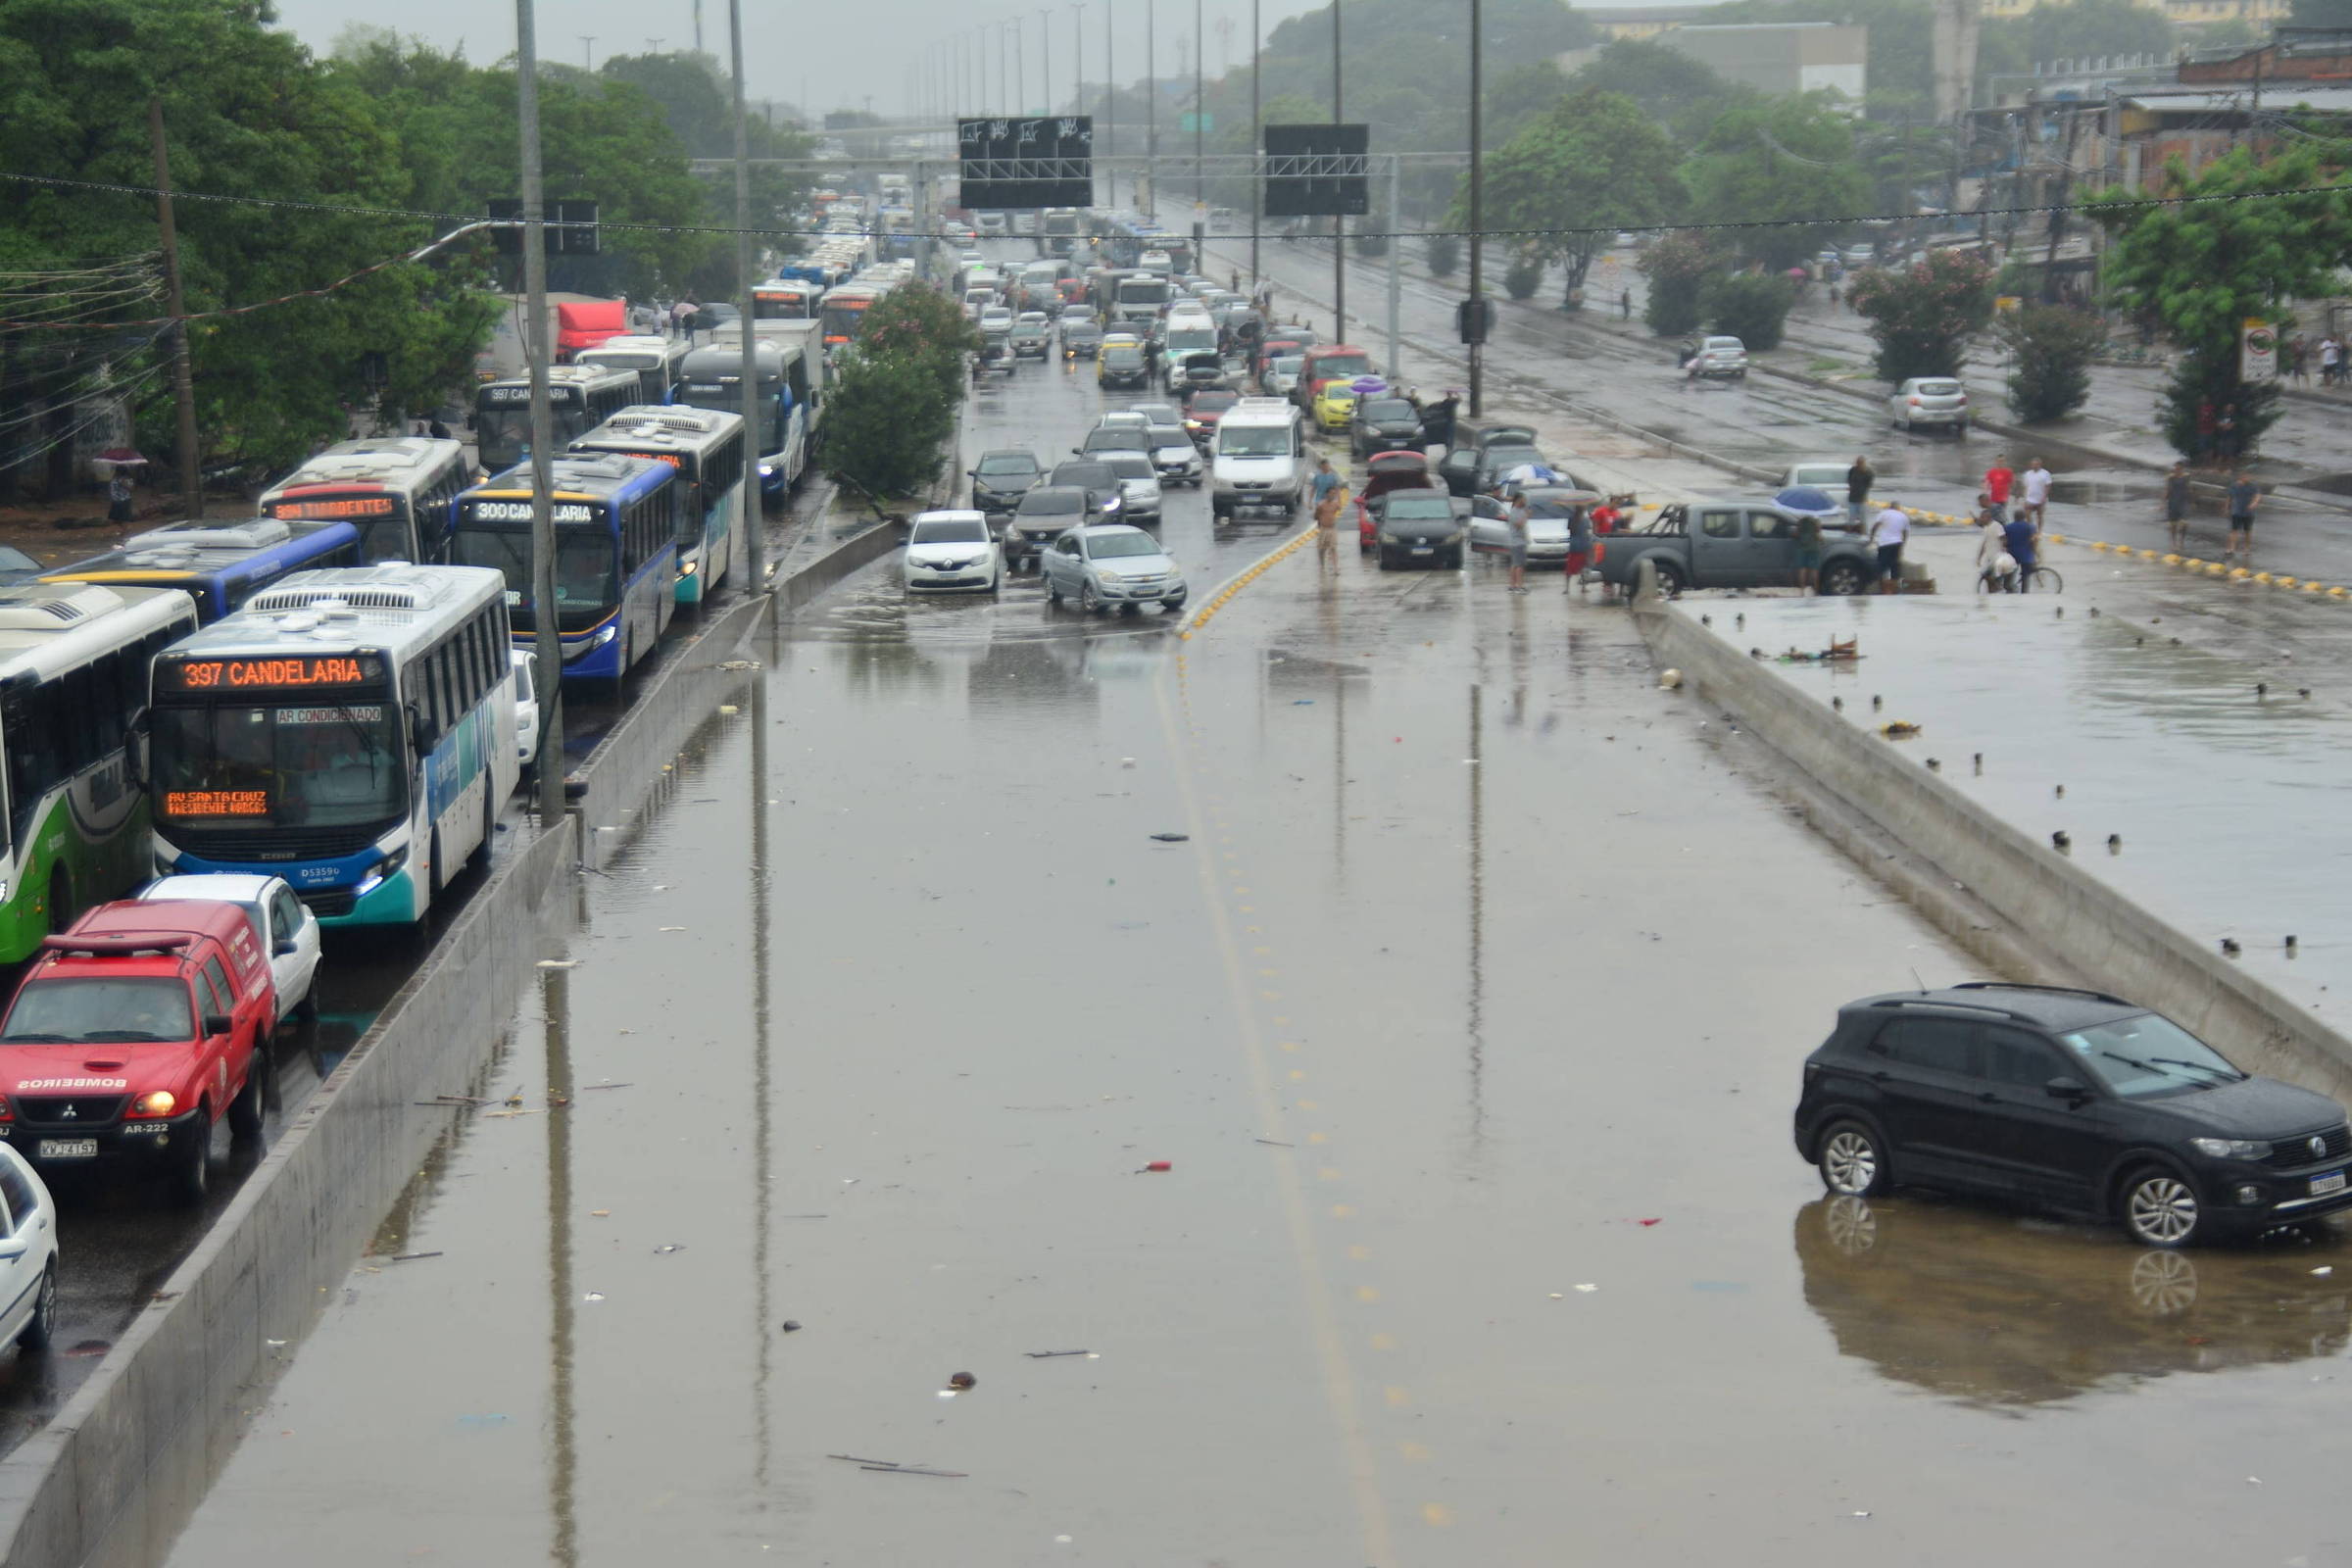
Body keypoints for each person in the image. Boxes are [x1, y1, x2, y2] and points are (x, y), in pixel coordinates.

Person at [1869, 501, 1909, 594]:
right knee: (1895, 566)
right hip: (1897, 543)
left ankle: (1883, 589)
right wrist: (1902, 545)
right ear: (1898, 508)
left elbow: (1875, 526)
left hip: (1884, 543)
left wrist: (1871, 538)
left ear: (1890, 507)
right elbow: (1905, 533)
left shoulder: (1883, 514)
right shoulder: (1903, 516)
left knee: (1881, 566)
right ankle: (1893, 589)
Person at [1976, 507, 2016, 593]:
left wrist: (2004, 549)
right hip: (1990, 558)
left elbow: (2003, 538)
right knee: (1987, 577)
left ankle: (1997, 587)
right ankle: (1993, 591)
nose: (1981, 519)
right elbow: (1984, 544)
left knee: (1986, 575)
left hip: (1997, 558)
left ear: (1988, 517)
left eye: (1983, 517)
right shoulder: (1986, 528)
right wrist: (1979, 557)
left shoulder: (1997, 526)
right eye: (1981, 517)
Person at [1310, 458, 1345, 556]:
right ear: (1321, 467)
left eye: (1327, 465)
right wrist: (1309, 501)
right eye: (1324, 466)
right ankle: (1322, 535)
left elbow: (1337, 489)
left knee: (1330, 519)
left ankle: (1330, 539)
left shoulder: (1333, 477)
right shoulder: (1317, 477)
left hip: (1331, 501)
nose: (1326, 467)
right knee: (1320, 519)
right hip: (1319, 501)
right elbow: (1313, 488)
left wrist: (1339, 501)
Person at [2002, 507, 2039, 594]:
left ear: (2014, 517)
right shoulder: (2030, 527)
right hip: (2026, 556)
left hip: (2012, 555)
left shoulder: (2008, 527)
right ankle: (2024, 593)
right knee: (2025, 577)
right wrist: (2036, 553)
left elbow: (2004, 542)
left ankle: (2010, 590)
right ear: (2024, 517)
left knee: (2009, 575)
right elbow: (2033, 541)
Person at [2227, 468, 2261, 561]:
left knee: (2247, 532)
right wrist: (2227, 507)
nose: (2248, 478)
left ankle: (2247, 548)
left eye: (2248, 476)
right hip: (2236, 511)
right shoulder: (2234, 486)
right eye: (2245, 476)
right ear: (2241, 477)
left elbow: (2257, 496)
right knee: (2234, 530)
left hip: (2248, 513)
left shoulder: (2253, 486)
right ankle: (2232, 548)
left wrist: (2254, 503)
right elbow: (2230, 497)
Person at [1563, 503, 1594, 593]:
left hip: (1574, 545)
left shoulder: (1571, 518)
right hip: (1583, 545)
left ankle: (1567, 588)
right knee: (1583, 566)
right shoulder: (1585, 520)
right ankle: (1583, 587)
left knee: (1570, 567)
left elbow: (1571, 531)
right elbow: (1588, 532)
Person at [1505, 488, 1532, 593]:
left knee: (1516, 564)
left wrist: (1527, 513)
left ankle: (1513, 585)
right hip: (1517, 542)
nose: (1525, 501)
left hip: (1522, 541)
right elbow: (1519, 525)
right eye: (1524, 499)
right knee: (1519, 565)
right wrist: (1526, 516)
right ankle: (1518, 586)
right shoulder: (1513, 512)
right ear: (1519, 499)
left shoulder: (1521, 510)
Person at [2163, 460, 2193, 552]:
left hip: (2183, 502)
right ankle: (2173, 542)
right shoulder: (2170, 478)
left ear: (2182, 469)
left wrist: (2192, 501)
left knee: (2184, 523)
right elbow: (2167, 490)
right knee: (2173, 524)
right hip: (2172, 502)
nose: (2177, 470)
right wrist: (2162, 503)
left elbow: (2189, 488)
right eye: (2176, 468)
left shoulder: (2186, 477)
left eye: (2179, 468)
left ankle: (2181, 542)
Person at [1793, 509, 1824, 596]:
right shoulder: (1816, 521)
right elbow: (1819, 536)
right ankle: (1816, 591)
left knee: (1802, 569)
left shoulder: (1801, 521)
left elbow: (1796, 534)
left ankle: (1802, 591)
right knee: (1814, 570)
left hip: (1802, 548)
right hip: (1814, 548)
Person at [2019, 457, 2052, 528]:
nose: (2034, 466)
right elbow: (2025, 487)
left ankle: (2039, 531)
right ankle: (2031, 529)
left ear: (2040, 464)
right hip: (2029, 498)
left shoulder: (2045, 473)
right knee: (2027, 514)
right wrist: (2024, 498)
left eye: (2036, 464)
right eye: (2033, 464)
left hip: (2040, 498)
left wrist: (2044, 497)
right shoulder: (2027, 474)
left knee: (2039, 516)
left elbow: (2048, 486)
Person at [1422, 391, 1459, 455]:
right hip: (1446, 421)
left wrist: (1457, 394)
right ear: (1447, 395)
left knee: (1451, 435)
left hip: (1452, 421)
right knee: (1448, 435)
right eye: (1448, 394)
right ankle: (1448, 448)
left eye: (1450, 394)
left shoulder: (1453, 401)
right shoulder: (1445, 401)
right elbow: (1439, 407)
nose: (1449, 395)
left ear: (1451, 395)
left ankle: (1450, 448)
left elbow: (1459, 400)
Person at [1843, 456, 1874, 532]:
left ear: (1864, 463)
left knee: (1863, 519)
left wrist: (1864, 493)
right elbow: (1849, 480)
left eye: (1861, 463)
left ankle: (1863, 533)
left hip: (1862, 499)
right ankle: (1849, 533)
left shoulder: (1869, 472)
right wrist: (1851, 487)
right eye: (1858, 463)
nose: (1859, 464)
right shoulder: (1853, 470)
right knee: (1851, 518)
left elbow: (1869, 485)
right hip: (1852, 498)